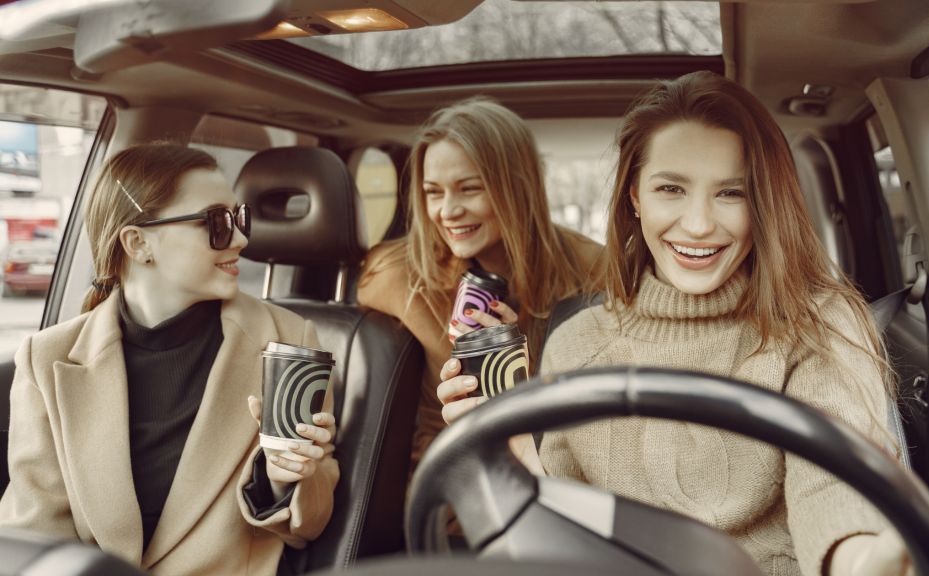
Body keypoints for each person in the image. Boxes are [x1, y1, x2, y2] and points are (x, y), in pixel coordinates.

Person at [437, 72, 929, 576]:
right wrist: (516, 465)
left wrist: (882, 562)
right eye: (671, 188)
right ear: (634, 196)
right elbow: (565, 539)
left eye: (731, 193)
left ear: (762, 202)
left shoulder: (819, 327)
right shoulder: (575, 343)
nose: (697, 224)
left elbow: (836, 503)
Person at [0, 143, 339, 576]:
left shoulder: (288, 341)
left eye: (239, 218)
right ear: (138, 242)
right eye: (216, 222)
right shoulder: (46, 359)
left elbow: (311, 524)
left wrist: (280, 479)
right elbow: (36, 531)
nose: (240, 238)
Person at [358, 97, 604, 474]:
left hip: (560, 472)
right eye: (433, 192)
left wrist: (524, 369)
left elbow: (603, 423)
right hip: (452, 480)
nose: (448, 211)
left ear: (516, 188)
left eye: (469, 188)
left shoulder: (594, 272)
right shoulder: (402, 275)